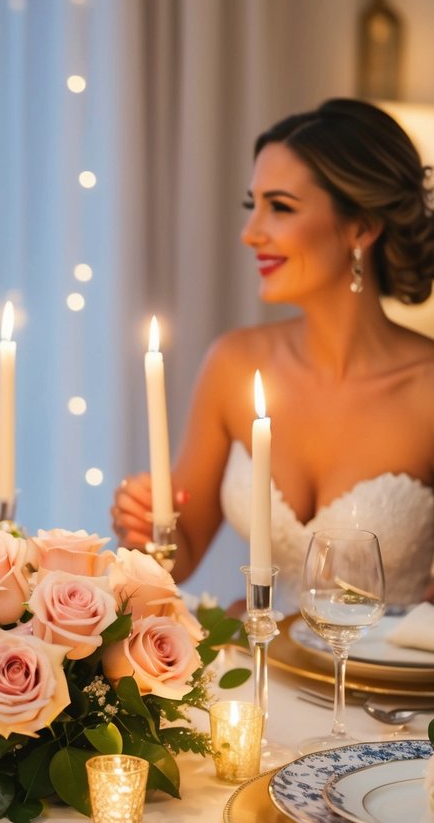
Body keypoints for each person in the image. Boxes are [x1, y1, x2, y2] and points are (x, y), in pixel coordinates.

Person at [112, 98, 434, 613]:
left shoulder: (427, 390)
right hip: (264, 671)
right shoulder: (234, 364)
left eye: (280, 207)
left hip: (383, 689)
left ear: (361, 228)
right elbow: (179, 556)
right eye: (253, 205)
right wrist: (145, 522)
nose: (251, 232)